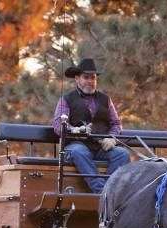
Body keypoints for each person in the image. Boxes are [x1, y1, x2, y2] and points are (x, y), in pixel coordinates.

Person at [52, 58, 130, 193]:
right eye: (86, 77)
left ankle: (108, 190)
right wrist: (75, 130)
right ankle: (102, 192)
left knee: (122, 154)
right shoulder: (66, 99)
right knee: (79, 151)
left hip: (100, 148)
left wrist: (112, 138)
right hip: (74, 147)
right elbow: (58, 125)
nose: (90, 81)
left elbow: (116, 124)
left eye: (93, 78)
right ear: (77, 79)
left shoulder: (105, 99)